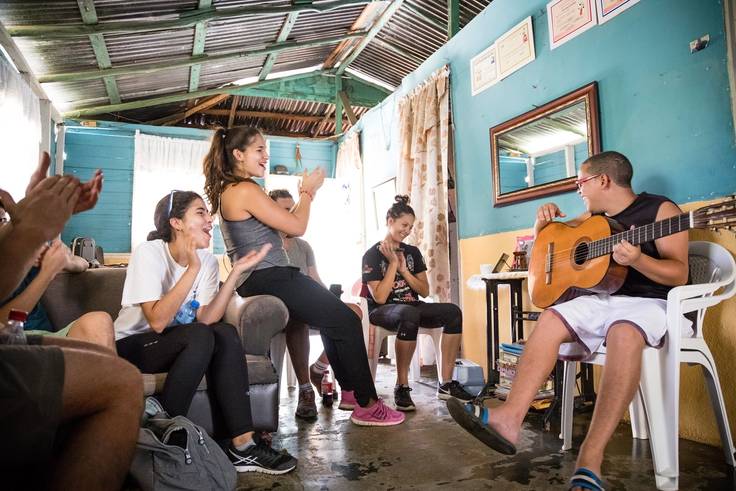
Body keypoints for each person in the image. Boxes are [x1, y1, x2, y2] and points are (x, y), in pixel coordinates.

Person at [446, 151, 689, 491]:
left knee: (623, 333)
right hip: (604, 299)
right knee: (551, 318)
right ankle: (508, 418)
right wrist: (540, 227)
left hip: (648, 304)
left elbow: (680, 273)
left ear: (604, 180)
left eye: (581, 182)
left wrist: (638, 261)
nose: (578, 190)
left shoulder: (662, 211)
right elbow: (556, 246)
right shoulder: (594, 215)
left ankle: (590, 459)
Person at [203, 125, 404, 427]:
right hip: (269, 276)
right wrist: (308, 191)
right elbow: (297, 227)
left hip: (264, 277)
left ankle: (351, 394)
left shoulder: (233, 190)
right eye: (259, 149)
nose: (265, 155)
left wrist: (304, 197)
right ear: (238, 154)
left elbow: (285, 225)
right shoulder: (244, 189)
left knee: (337, 319)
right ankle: (368, 405)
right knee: (348, 320)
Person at [114, 190, 298, 474]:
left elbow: (207, 318)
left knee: (223, 332)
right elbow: (158, 321)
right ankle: (166, 433)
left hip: (179, 344)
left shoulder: (209, 261)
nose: (209, 220)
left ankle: (243, 446)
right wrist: (192, 268)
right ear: (176, 222)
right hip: (133, 346)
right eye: (200, 212)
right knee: (201, 334)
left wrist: (235, 272)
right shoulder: (149, 253)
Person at [1, 152, 143, 490]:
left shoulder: (10, 238)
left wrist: (36, 226)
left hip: (21, 334)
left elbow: (71, 261)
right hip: (13, 330)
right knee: (123, 383)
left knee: (104, 354)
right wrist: (33, 231)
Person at [362, 195, 474, 411]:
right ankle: (401, 386)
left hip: (411, 306)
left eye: (410, 227)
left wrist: (405, 270)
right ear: (390, 221)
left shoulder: (412, 253)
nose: (407, 230)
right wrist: (394, 263)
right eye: (404, 225)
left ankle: (447, 384)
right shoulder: (372, 255)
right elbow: (379, 297)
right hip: (382, 310)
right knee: (408, 314)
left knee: (453, 311)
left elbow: (424, 290)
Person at [269, 189, 364, 411]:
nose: (291, 214)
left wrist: (334, 303)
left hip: (307, 304)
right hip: (281, 312)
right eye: (285, 210)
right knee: (297, 315)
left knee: (352, 312)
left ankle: (319, 367)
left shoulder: (303, 247)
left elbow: (315, 280)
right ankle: (305, 389)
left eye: (293, 209)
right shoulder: (268, 246)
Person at [0, 238, 116, 351]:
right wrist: (48, 272)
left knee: (98, 321)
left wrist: (65, 261)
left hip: (45, 336)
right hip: (10, 339)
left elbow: (82, 262)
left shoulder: (27, 245)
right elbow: (4, 323)